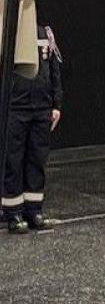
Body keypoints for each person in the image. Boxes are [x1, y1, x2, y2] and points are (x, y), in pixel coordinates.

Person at [2, 22, 61, 234]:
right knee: (14, 161)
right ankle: (13, 212)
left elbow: (54, 69)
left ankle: (34, 210)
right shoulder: (8, 31)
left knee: (37, 160)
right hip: (16, 108)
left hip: (41, 107)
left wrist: (56, 104)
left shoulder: (45, 32)